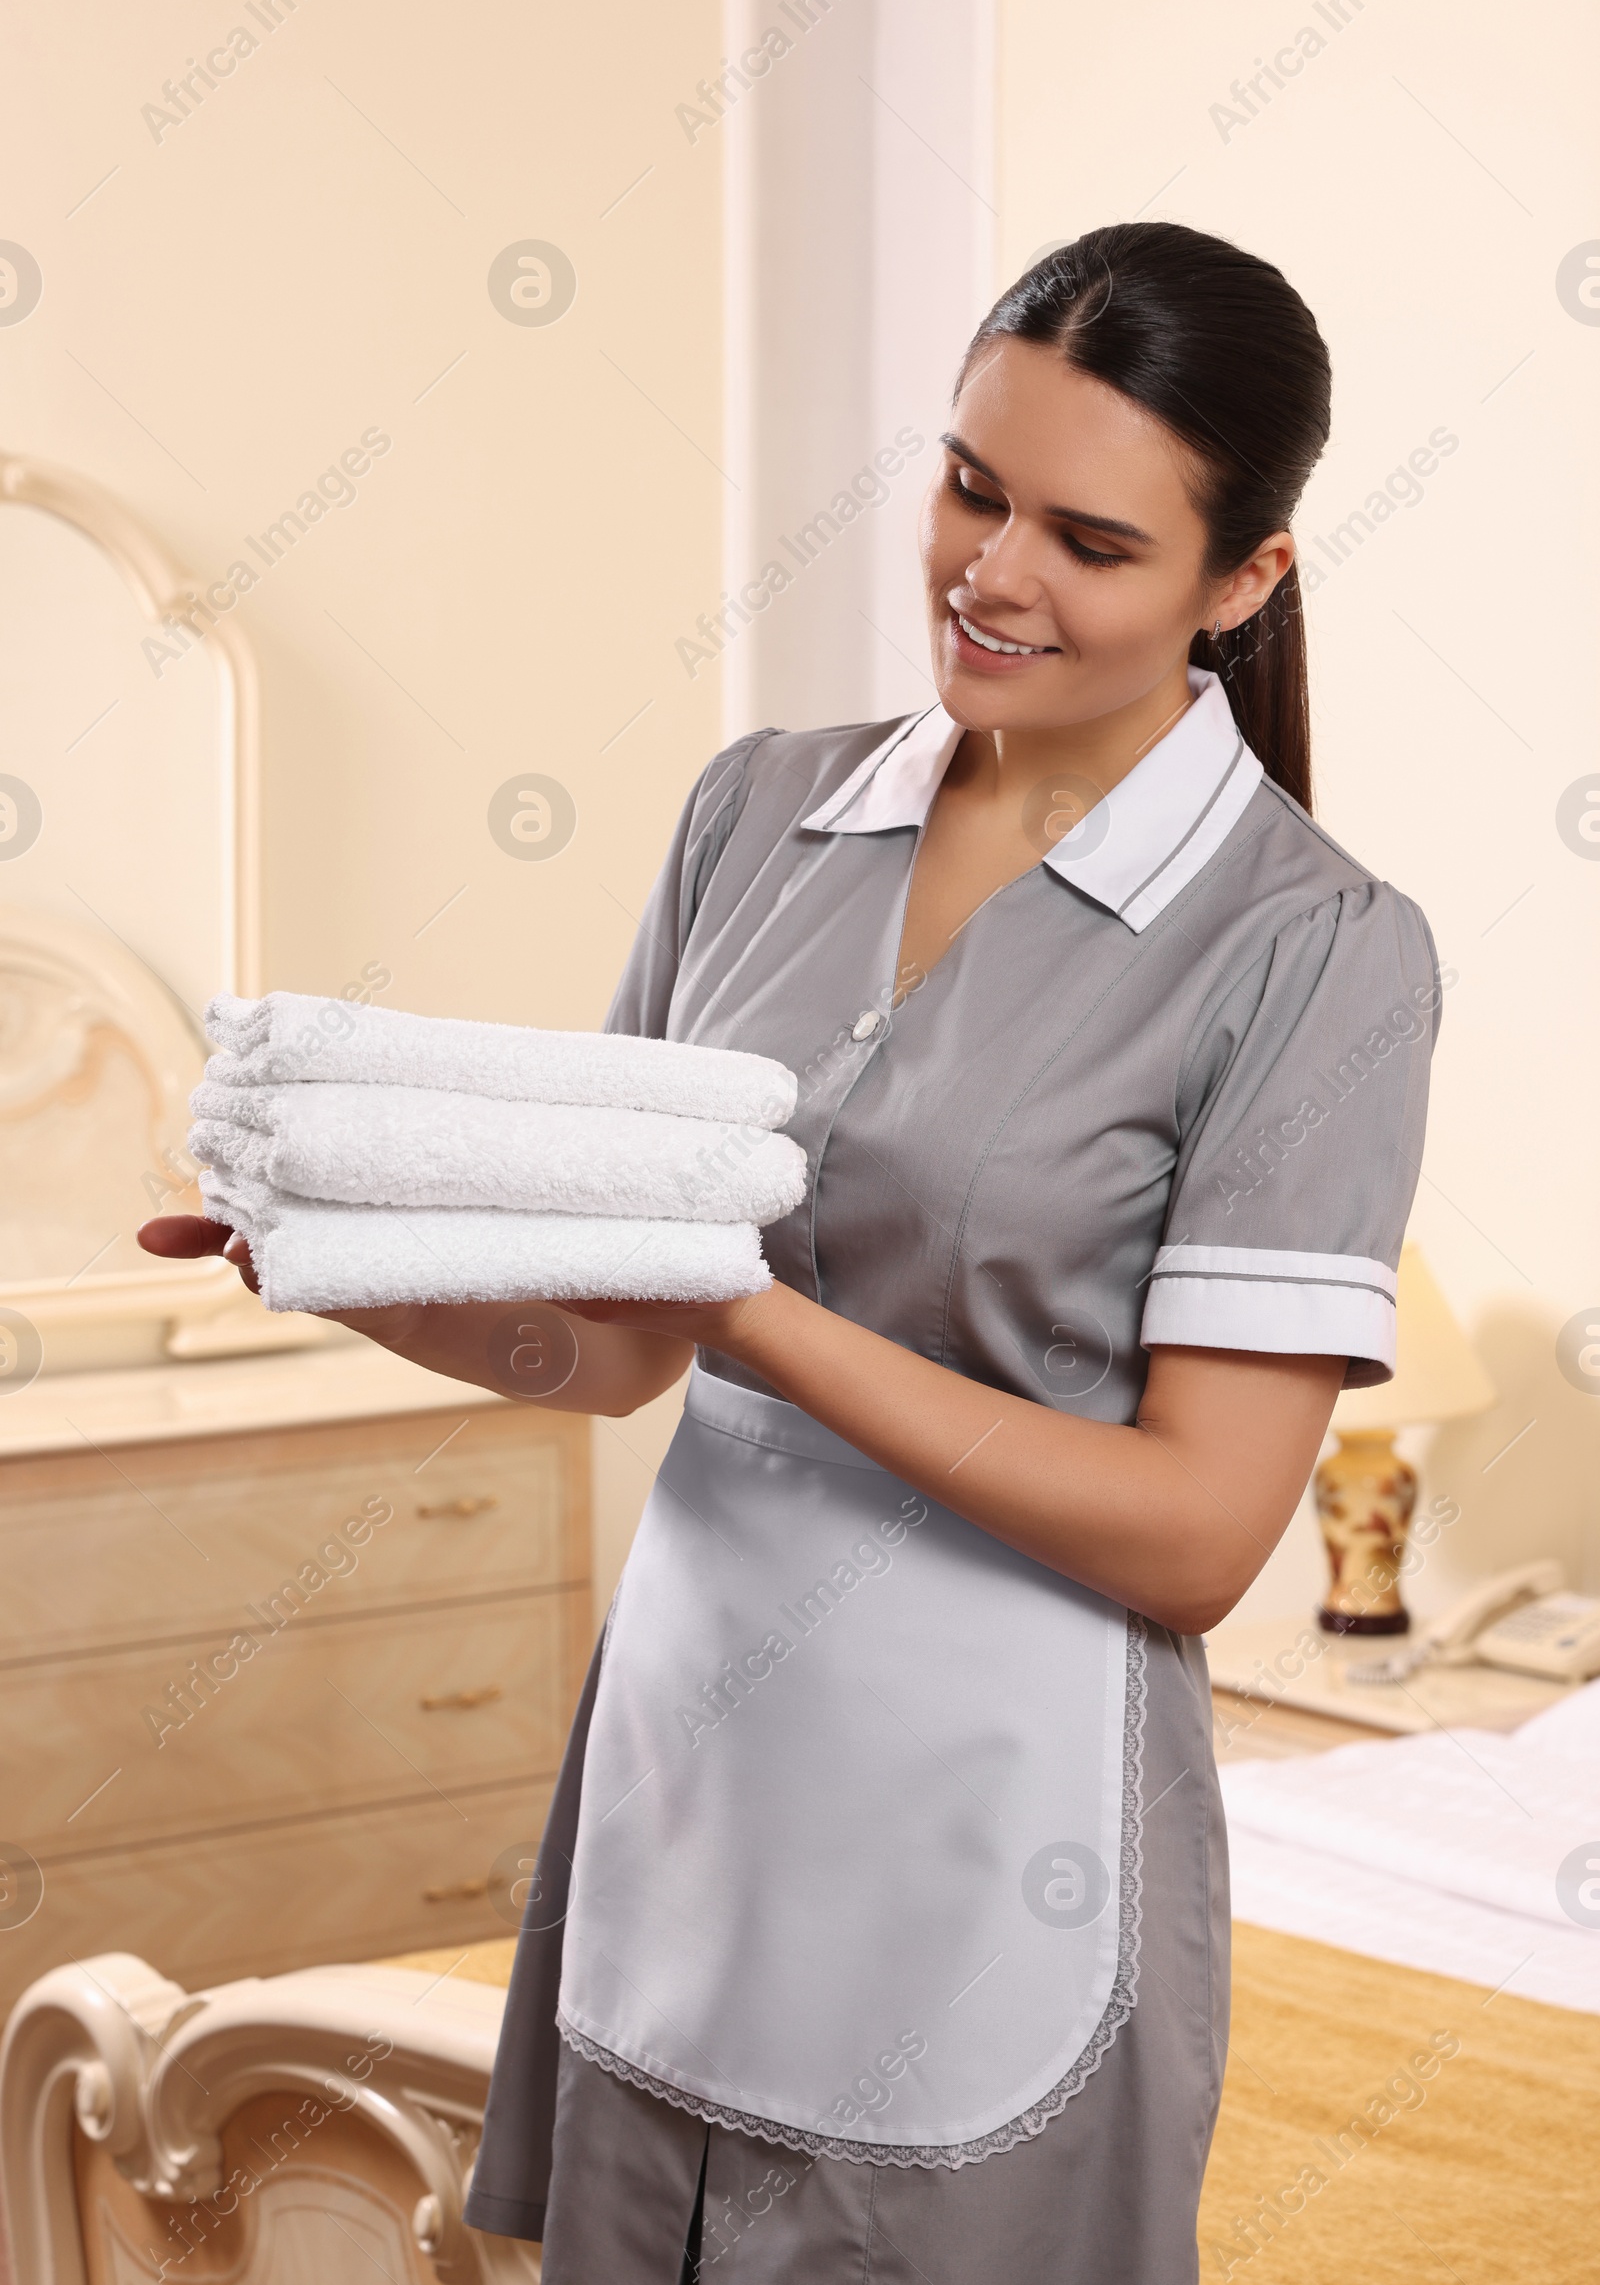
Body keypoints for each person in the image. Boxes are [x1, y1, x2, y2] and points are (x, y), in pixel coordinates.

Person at [145, 221, 1440, 2284]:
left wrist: (747, 1306)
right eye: (966, 486)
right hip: (687, 1778)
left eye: (1086, 543)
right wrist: (340, 1254)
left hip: (993, 1841)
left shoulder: (1307, 948)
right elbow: (611, 1351)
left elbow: (1201, 1532)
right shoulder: (757, 813)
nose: (989, 573)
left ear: (1240, 580)